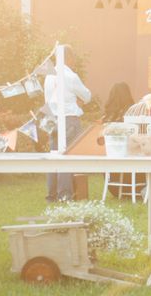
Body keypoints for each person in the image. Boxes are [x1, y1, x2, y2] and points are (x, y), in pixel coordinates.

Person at [44, 46, 91, 202]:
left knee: (54, 156)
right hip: (69, 118)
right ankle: (65, 195)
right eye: (73, 57)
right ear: (68, 57)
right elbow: (87, 95)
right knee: (67, 156)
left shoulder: (49, 76)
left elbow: (48, 98)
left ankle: (51, 195)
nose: (74, 61)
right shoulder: (71, 76)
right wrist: (79, 101)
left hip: (52, 118)